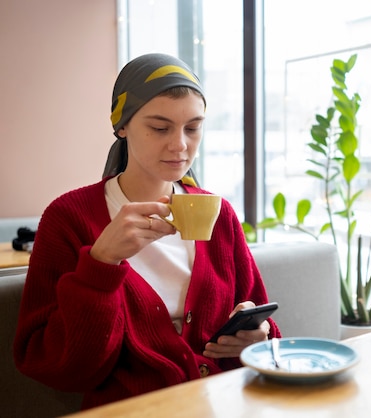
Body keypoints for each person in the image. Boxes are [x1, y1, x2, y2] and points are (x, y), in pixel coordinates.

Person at [13, 53, 280, 410]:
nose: (180, 145)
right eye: (159, 127)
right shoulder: (68, 218)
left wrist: (257, 337)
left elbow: (266, 325)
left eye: (193, 127)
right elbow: (57, 367)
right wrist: (102, 262)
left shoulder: (219, 214)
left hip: (227, 403)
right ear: (122, 125)